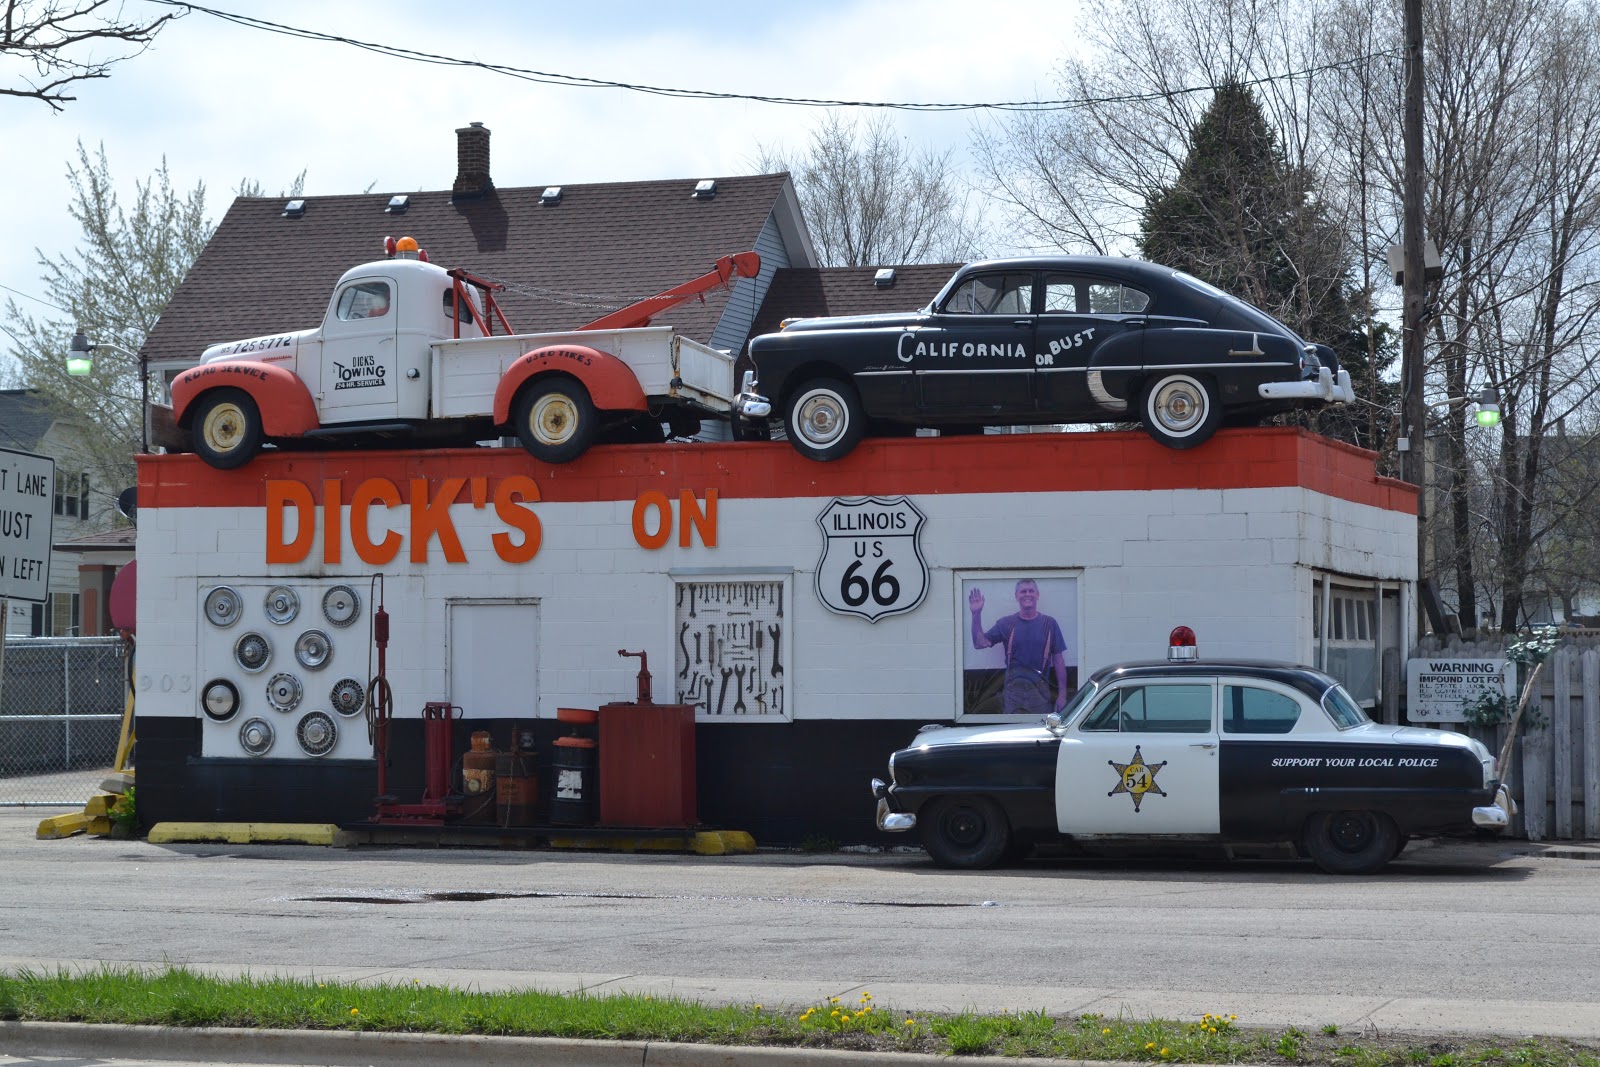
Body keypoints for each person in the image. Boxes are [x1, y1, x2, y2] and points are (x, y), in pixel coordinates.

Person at [969, 579, 1069, 716]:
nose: (1027, 594)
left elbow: (1058, 661)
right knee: (1012, 729)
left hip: (1040, 695)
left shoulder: (1050, 624)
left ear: (1037, 595)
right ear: (1016, 596)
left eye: (1031, 591)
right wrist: (976, 614)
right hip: (1012, 695)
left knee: (1041, 729)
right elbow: (979, 643)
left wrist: (1062, 695)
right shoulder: (1007, 623)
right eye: (1023, 591)